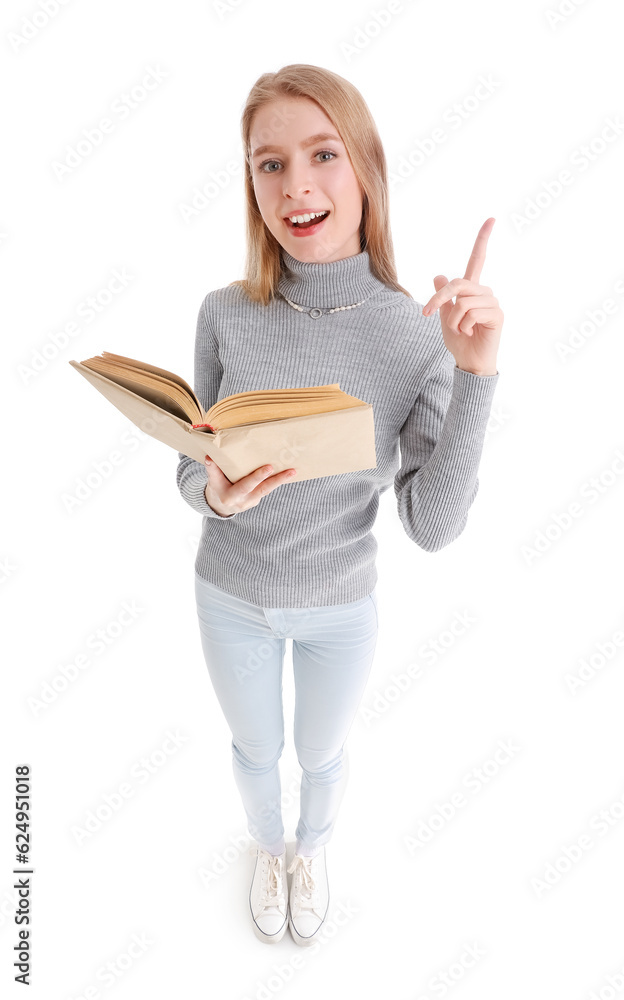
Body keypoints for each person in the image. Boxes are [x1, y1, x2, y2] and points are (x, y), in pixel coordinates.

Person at [175, 63, 503, 947]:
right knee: (253, 754)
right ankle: (267, 845)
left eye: (322, 153)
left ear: (364, 167)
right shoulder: (223, 314)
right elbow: (187, 469)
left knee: (319, 756)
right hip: (230, 596)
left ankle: (309, 850)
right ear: (251, 184)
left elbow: (432, 527)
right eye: (268, 164)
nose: (297, 184)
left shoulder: (415, 332)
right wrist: (213, 488)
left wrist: (473, 374)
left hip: (338, 610)